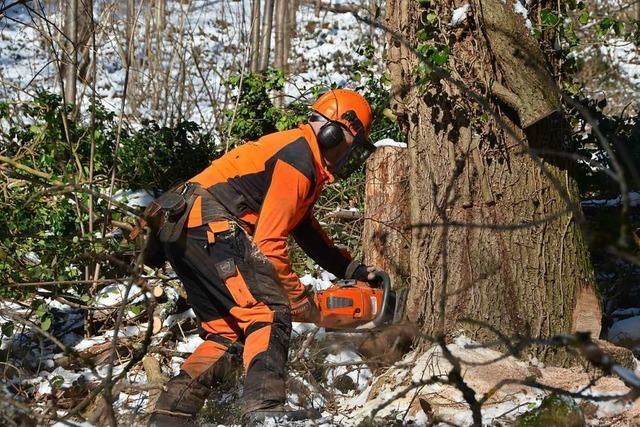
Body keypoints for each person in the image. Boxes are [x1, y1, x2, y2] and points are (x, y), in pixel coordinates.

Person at [148, 89, 380, 426]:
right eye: (348, 143)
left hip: (184, 227)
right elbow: (269, 242)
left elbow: (306, 231)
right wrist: (299, 301)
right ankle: (265, 413)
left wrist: (352, 268)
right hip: (212, 223)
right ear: (333, 131)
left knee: (225, 335)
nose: (347, 153)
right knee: (270, 311)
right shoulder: (298, 158)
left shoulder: (301, 157)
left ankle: (169, 417)